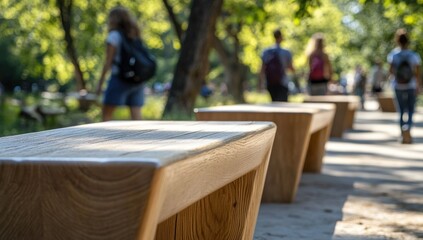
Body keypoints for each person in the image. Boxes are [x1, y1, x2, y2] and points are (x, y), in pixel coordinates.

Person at [96, 6, 145, 121]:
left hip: (120, 78)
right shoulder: (134, 35)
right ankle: (142, 138)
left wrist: (100, 83)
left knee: (107, 114)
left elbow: (108, 62)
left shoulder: (114, 36)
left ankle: (104, 138)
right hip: (137, 79)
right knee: (136, 115)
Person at [387, 28, 421, 144]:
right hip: (411, 85)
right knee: (411, 110)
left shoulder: (394, 54)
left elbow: (391, 71)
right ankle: (408, 128)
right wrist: (419, 85)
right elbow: (417, 73)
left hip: (398, 85)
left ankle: (402, 133)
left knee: (401, 110)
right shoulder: (413, 55)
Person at [259, 29, 295, 102]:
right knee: (283, 105)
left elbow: (262, 69)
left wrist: (260, 83)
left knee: (274, 103)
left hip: (270, 82)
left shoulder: (266, 52)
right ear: (281, 37)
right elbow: (291, 68)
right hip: (283, 82)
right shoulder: (286, 52)